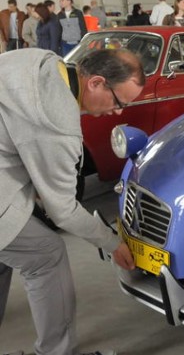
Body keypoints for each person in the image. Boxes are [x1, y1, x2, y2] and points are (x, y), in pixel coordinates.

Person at [0, 48, 144, 355]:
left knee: (10, 248)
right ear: (95, 83)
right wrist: (113, 242)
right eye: (119, 102)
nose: (118, 113)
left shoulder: (40, 59)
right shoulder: (58, 123)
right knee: (45, 254)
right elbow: (62, 210)